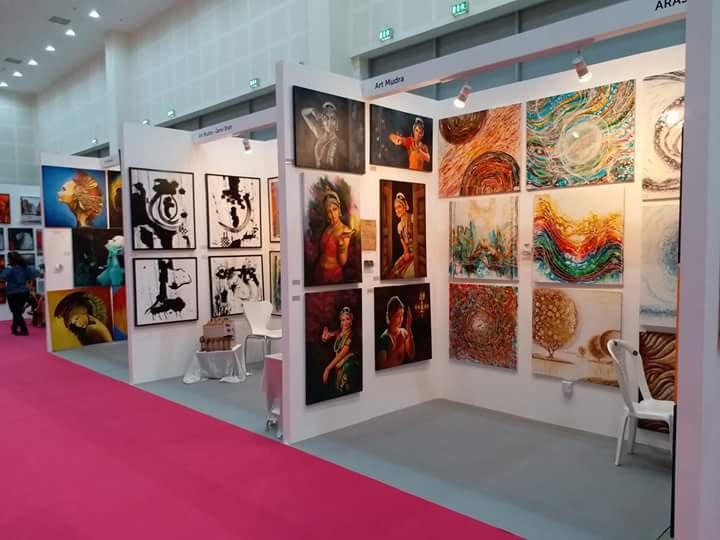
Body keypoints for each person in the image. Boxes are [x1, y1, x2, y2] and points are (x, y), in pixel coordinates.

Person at [313, 191, 356, 284]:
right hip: (318, 272)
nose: (332, 214)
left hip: (333, 275)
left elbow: (343, 262)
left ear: (339, 209)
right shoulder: (327, 227)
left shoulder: (345, 230)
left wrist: (341, 243)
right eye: (329, 211)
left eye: (334, 209)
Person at [321, 306, 360, 394]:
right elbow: (329, 335)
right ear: (340, 321)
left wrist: (328, 368)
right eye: (343, 320)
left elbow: (343, 353)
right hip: (339, 367)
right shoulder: (339, 333)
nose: (345, 322)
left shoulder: (351, 335)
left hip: (349, 367)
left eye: (347, 319)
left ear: (351, 320)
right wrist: (324, 337)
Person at [1, 252, 40, 335]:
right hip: (24, 292)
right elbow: (37, 274)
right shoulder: (26, 268)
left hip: (12, 293)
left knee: (16, 312)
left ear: (11, 260)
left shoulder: (10, 269)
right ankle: (14, 328)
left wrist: (9, 278)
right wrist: (27, 278)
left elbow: (2, 277)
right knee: (17, 311)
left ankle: (24, 330)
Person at [301, 102, 346, 169]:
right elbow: (303, 113)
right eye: (326, 118)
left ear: (337, 122)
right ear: (323, 121)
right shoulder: (319, 134)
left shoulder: (340, 143)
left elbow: (344, 166)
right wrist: (313, 109)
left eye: (332, 118)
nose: (329, 122)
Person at [377, 296, 415, 370]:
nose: (401, 319)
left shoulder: (404, 332)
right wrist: (398, 346)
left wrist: (409, 328)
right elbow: (383, 367)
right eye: (398, 315)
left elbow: (412, 355)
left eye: (402, 315)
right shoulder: (383, 339)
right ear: (390, 316)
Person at [389, 192, 415, 278]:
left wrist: (411, 255)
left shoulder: (412, 218)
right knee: (395, 269)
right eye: (395, 208)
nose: (397, 210)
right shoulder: (399, 226)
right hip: (408, 254)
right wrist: (406, 252)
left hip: (417, 253)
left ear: (404, 206)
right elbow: (405, 246)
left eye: (399, 207)